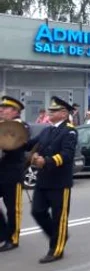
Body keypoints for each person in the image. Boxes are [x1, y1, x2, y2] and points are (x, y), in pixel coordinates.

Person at [25, 96, 77, 263]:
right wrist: (11, 138)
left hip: (59, 182)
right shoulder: (47, 130)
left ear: (63, 113)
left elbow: (67, 155)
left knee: (59, 217)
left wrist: (46, 161)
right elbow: (31, 144)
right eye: (50, 110)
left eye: (53, 111)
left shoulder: (69, 131)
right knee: (37, 211)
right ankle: (59, 234)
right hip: (43, 180)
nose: (50, 112)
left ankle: (56, 249)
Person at [0, 96, 30, 253]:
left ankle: (13, 238)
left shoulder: (21, 127)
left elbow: (12, 146)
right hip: (1, 171)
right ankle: (2, 232)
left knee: (13, 208)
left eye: (5, 108)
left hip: (12, 173)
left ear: (15, 111)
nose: (1, 110)